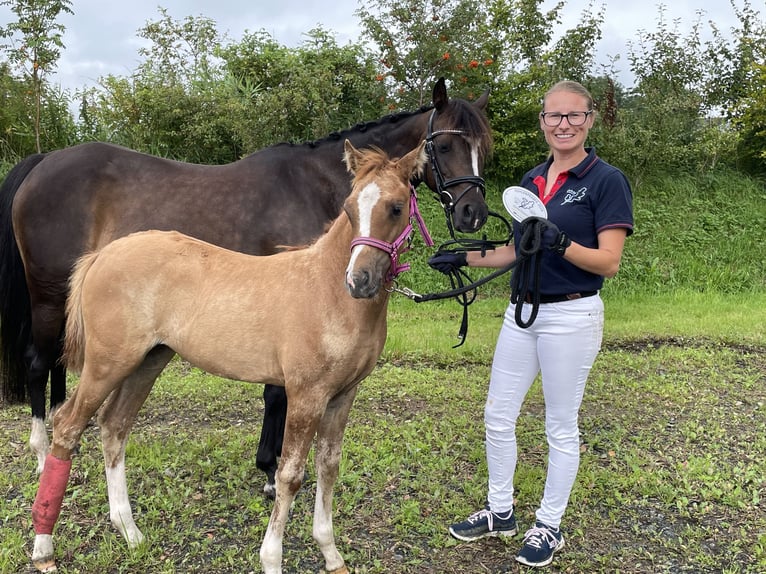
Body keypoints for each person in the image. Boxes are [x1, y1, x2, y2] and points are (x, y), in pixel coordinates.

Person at [429, 80, 633, 568]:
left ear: (589, 121)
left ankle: (549, 525)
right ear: (543, 122)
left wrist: (562, 244)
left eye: (574, 116)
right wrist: (465, 257)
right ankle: (500, 512)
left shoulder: (605, 180)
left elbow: (609, 262)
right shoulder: (532, 179)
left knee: (559, 427)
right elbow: (515, 249)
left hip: (571, 314)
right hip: (521, 314)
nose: (564, 125)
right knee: (497, 416)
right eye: (554, 116)